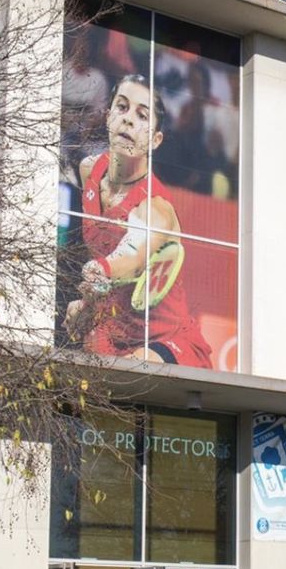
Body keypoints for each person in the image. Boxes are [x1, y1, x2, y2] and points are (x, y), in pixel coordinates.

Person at [64, 73, 213, 366]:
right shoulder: (89, 171)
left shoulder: (156, 209)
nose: (128, 119)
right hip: (111, 332)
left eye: (142, 115)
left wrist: (101, 270)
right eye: (122, 107)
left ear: (156, 140)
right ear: (107, 117)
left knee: (122, 375)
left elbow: (131, 255)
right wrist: (87, 305)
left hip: (163, 342)